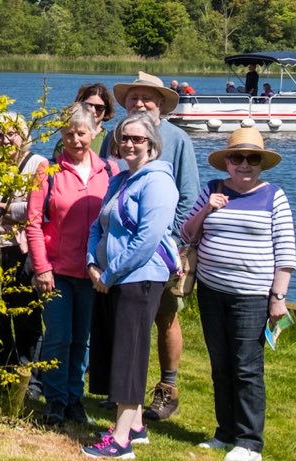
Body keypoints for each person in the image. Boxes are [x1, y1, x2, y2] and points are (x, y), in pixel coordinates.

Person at [181, 128, 296, 461]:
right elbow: (187, 233)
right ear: (227, 162)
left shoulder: (274, 196)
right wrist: (207, 209)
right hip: (211, 290)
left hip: (252, 296)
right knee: (220, 365)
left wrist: (278, 297)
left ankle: (249, 441)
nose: (244, 165)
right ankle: (225, 432)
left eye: (252, 158)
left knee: (246, 367)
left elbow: (285, 252)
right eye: (237, 157)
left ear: (261, 163)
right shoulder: (212, 189)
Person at [103, 71, 200, 422]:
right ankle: (124, 393)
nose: (140, 103)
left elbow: (189, 195)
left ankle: (166, 388)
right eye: (134, 98)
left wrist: (170, 240)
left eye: (147, 98)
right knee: (125, 321)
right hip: (119, 248)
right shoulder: (114, 137)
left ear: (160, 104)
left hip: (160, 252)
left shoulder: (178, 139)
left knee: (165, 316)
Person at [82, 112, 179, 460]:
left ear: (152, 144)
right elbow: (99, 225)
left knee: (129, 354)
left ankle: (121, 441)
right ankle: (135, 426)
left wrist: (110, 274)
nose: (130, 144)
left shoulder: (158, 183)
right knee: (119, 349)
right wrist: (91, 262)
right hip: (111, 277)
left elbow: (147, 239)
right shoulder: (122, 179)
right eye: (124, 138)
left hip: (140, 279)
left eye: (138, 139)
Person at [27, 103, 115, 426]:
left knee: (83, 340)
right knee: (58, 337)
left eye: (81, 133)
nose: (75, 140)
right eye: (68, 134)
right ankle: (55, 399)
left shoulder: (110, 171)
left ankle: (74, 398)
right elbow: (33, 223)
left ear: (94, 133)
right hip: (57, 272)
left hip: (93, 273)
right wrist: (41, 267)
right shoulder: (47, 171)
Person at [0, 112, 47, 372]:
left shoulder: (38, 164)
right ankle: (5, 368)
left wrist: (4, 208)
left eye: (11, 134)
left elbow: (38, 209)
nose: (5, 140)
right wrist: (13, 208)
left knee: (26, 314)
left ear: (23, 136)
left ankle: (30, 373)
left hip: (23, 250)